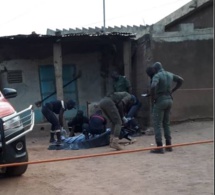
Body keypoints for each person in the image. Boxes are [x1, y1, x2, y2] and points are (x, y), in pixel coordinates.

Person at [147, 62, 184, 154]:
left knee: (157, 124)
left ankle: (159, 147)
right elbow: (181, 80)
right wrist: (173, 90)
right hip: (169, 100)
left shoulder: (157, 76)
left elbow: (153, 86)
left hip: (160, 101)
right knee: (166, 123)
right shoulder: (169, 74)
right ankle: (169, 145)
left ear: (155, 69)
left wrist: (153, 98)